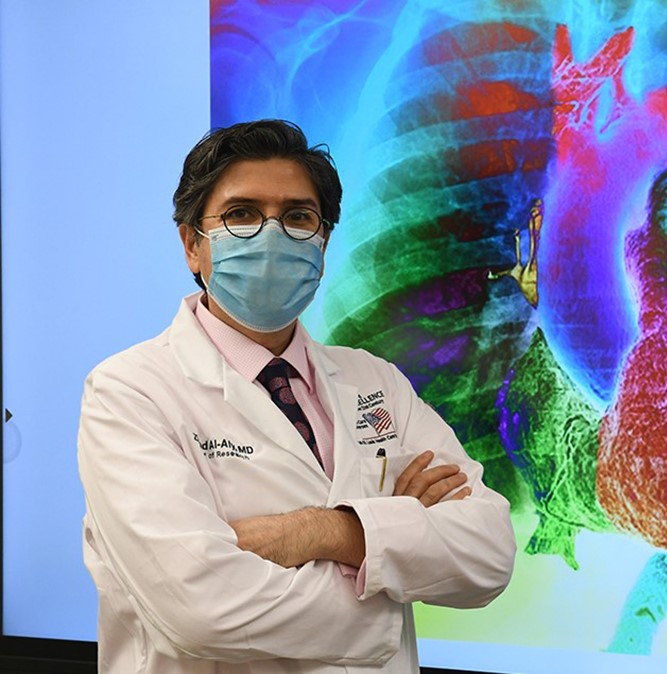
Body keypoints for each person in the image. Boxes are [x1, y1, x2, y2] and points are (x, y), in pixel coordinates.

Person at [77, 120, 517, 673]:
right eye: (241, 215)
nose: (272, 235)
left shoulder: (373, 382)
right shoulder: (129, 392)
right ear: (192, 244)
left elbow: (489, 553)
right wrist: (391, 572)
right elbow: (202, 610)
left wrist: (326, 530)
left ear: (324, 242)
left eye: (297, 217)